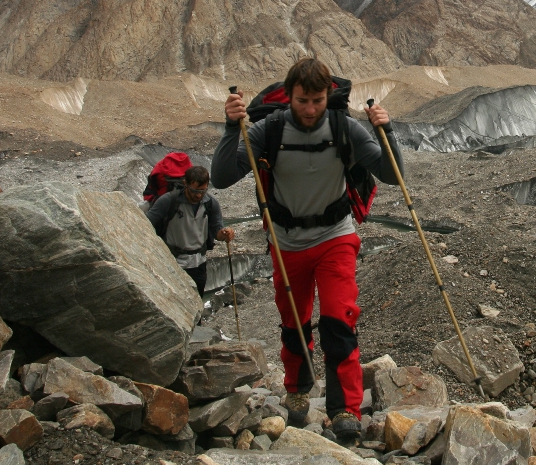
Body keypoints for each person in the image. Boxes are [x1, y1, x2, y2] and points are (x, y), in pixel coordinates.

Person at [210, 57, 404, 442]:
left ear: (328, 95)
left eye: (317, 100)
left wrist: (387, 131)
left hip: (335, 236)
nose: (311, 109)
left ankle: (345, 408)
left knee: (339, 318)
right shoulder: (270, 129)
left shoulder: (344, 128)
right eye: (302, 101)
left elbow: (391, 173)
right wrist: (232, 127)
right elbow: (221, 176)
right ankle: (298, 390)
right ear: (290, 97)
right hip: (286, 243)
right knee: (294, 322)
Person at [146, 165, 234, 294]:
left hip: (199, 264)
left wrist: (224, 234)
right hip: (174, 263)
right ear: (185, 183)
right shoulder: (168, 201)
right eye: (194, 190)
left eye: (203, 191)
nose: (198, 195)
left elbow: (216, 230)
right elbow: (147, 223)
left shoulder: (210, 203)